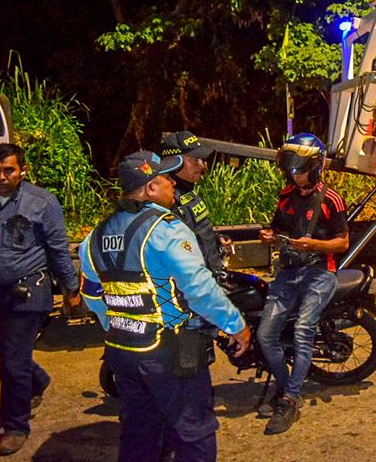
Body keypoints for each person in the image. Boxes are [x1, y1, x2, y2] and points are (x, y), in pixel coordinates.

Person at [79, 150, 250, 462]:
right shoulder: (166, 228)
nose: (173, 182)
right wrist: (236, 325)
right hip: (168, 353)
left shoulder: (95, 235)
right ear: (150, 189)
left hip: (122, 350)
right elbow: (199, 289)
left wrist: (119, 324)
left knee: (138, 431)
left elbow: (91, 294)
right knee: (193, 432)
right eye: (166, 178)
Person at [256, 134, 348, 435]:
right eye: (291, 169)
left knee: (302, 330)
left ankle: (291, 399)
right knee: (266, 333)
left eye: (300, 168)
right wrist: (269, 235)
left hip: (320, 272)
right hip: (289, 271)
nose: (294, 174)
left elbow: (342, 243)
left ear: (316, 166)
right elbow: (277, 228)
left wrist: (314, 244)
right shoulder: (286, 197)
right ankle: (287, 389)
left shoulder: (331, 199)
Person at [0, 143, 81, 457]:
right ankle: (37, 380)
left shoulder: (42, 203)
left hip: (28, 290)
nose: (2, 177)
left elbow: (59, 250)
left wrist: (71, 290)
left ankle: (15, 425)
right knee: (6, 352)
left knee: (12, 363)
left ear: (23, 171)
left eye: (9, 170)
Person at [159, 131, 227, 273]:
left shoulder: (189, 190)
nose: (201, 166)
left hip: (211, 275)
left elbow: (198, 231)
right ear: (174, 161)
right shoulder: (166, 198)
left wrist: (218, 239)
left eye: (202, 160)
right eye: (194, 160)